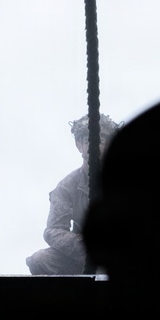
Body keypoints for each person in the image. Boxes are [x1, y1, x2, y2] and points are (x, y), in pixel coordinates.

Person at [26, 113, 119, 275]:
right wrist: (86, 247)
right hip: (83, 258)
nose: (94, 144)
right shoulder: (66, 186)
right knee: (40, 259)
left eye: (101, 139)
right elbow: (54, 230)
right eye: (88, 140)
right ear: (79, 145)